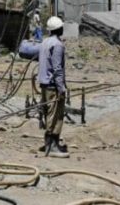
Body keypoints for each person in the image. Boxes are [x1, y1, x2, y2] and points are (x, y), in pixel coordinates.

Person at [38, 16, 69, 158]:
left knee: (48, 113)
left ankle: (49, 144)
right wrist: (61, 88)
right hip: (52, 86)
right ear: (59, 29)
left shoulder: (45, 42)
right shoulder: (57, 45)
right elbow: (57, 68)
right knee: (55, 116)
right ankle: (52, 146)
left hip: (44, 84)